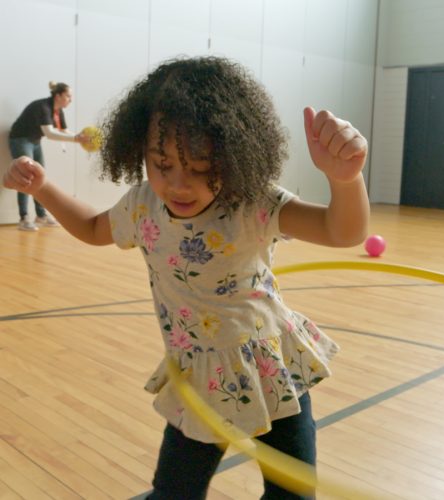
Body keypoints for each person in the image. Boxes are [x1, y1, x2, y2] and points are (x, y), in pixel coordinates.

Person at [3, 57, 370, 499]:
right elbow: (92, 228)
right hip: (198, 379)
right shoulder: (142, 207)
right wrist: (43, 187)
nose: (178, 183)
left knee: (293, 494)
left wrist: (344, 180)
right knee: (173, 495)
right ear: (141, 148)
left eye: (199, 168)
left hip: (271, 371)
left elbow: (342, 230)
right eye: (161, 163)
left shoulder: (252, 205)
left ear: (234, 155)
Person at [8, 81, 90, 231]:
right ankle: (24, 218)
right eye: (68, 96)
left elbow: (64, 131)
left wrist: (79, 138)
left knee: (39, 176)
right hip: (20, 140)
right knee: (25, 177)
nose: (70, 100)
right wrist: (76, 139)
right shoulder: (44, 107)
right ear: (58, 95)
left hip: (35, 141)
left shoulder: (58, 110)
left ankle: (40, 216)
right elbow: (50, 133)